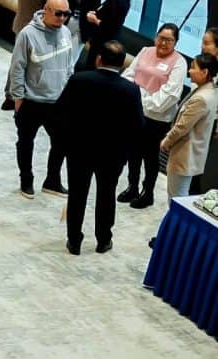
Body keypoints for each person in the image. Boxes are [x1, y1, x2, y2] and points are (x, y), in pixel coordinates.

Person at [56, 41, 143, 254]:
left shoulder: (79, 80)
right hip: (112, 155)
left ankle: (74, 241)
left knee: (77, 195)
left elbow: (60, 113)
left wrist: (66, 143)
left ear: (98, 58)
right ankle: (104, 240)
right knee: (106, 195)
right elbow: (138, 126)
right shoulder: (131, 90)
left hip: (79, 150)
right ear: (123, 64)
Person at [9, 0, 78, 198]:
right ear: (46, 10)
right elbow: (17, 67)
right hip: (32, 101)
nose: (62, 18)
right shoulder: (27, 34)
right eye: (58, 13)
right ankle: (26, 179)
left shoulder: (66, 32)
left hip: (58, 102)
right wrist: (18, 97)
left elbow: (68, 65)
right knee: (25, 142)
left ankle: (52, 180)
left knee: (62, 142)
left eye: (66, 14)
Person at [118, 24, 188, 209]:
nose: (163, 43)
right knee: (133, 152)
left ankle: (147, 192)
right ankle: (132, 186)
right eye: (161, 38)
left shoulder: (179, 62)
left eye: (169, 40)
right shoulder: (145, 51)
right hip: (134, 112)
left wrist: (140, 100)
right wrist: (134, 98)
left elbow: (170, 95)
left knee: (150, 157)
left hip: (156, 118)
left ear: (175, 42)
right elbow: (128, 75)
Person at [161, 53, 218, 202]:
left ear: (205, 72)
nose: (189, 71)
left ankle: (176, 225)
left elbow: (182, 127)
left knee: (176, 198)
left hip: (185, 155)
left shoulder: (201, 98)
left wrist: (166, 141)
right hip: (191, 155)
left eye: (193, 67)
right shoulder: (210, 90)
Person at [85, 0, 137, 66]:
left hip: (102, 43)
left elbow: (109, 26)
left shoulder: (116, 0)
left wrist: (94, 19)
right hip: (106, 41)